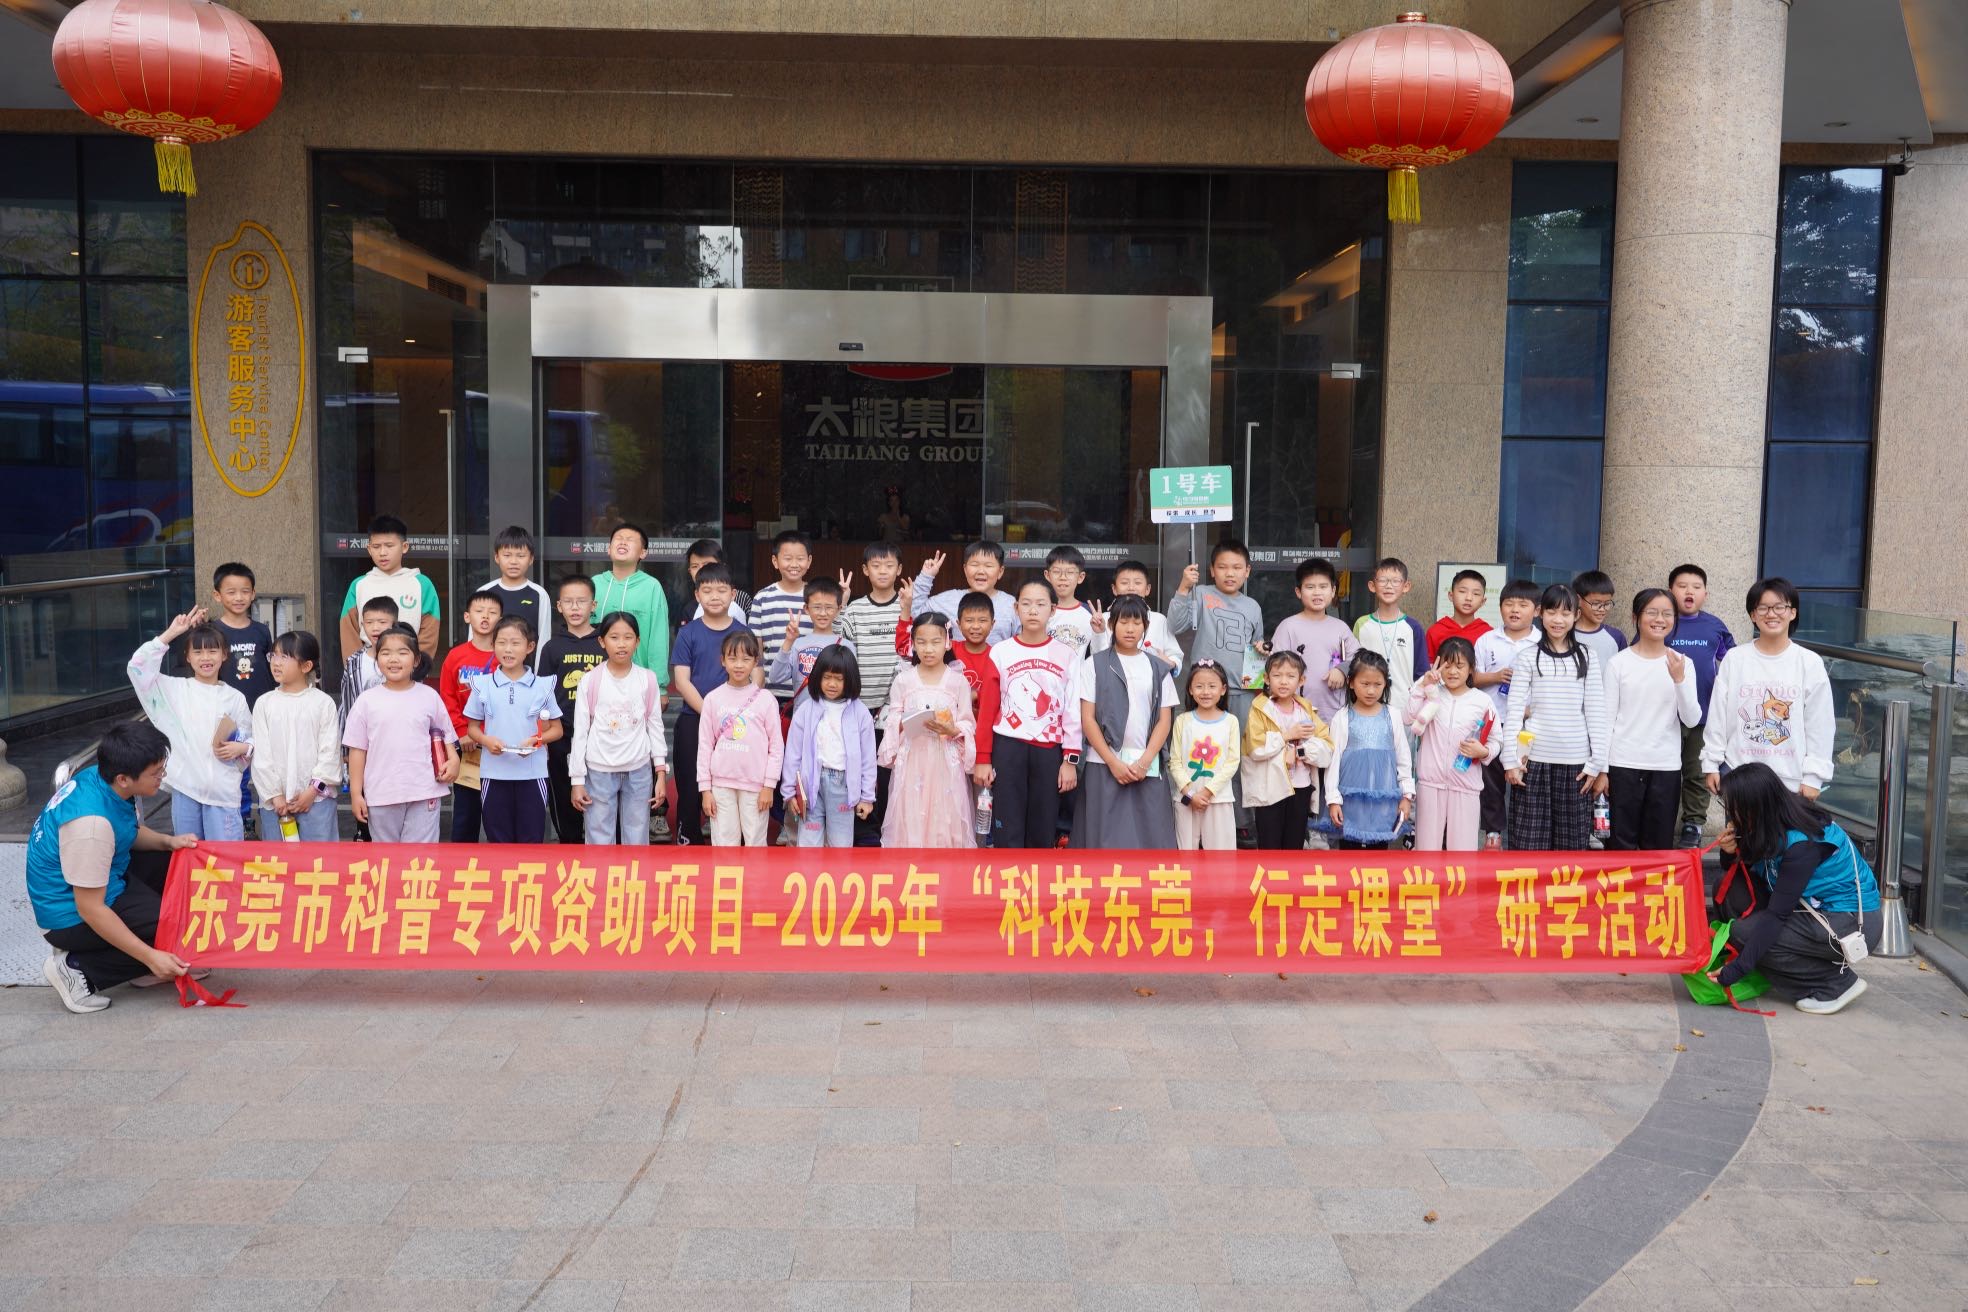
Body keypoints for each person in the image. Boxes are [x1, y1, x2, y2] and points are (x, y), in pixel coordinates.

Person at [29, 721, 200, 1014]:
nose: (162, 777)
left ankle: (141, 965)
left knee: (178, 867)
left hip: (105, 875)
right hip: (68, 915)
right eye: (156, 773)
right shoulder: (90, 826)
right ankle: (78, 970)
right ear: (124, 779)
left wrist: (169, 842)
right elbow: (90, 909)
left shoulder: (101, 779)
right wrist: (151, 956)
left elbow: (125, 831)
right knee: (181, 927)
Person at [1709, 763, 1880, 1014]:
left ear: (1753, 807)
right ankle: (1772, 962)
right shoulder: (1771, 818)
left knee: (1745, 934)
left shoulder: (1803, 845)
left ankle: (1835, 984)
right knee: (1727, 890)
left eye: (1733, 807)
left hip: (1848, 919)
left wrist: (1737, 969)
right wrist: (1729, 851)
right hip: (1807, 907)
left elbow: (1777, 915)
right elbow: (1739, 870)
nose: (1730, 814)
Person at [1702, 577, 1834, 800]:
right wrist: (1711, 763)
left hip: (1791, 780)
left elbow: (1820, 724)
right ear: (1753, 615)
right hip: (1739, 775)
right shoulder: (1735, 659)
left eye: (1779, 607)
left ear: (1793, 612)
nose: (1771, 614)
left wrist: (1814, 777)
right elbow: (1717, 715)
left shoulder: (1809, 662)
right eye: (1763, 608)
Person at [129, 607, 252, 841]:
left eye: (212, 651)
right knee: (188, 853)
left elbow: (250, 739)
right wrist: (172, 633)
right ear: (187, 656)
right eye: (198, 652)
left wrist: (242, 748)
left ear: (224, 654)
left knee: (223, 857)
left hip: (223, 793)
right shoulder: (174, 690)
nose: (206, 658)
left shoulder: (235, 698)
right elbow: (137, 668)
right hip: (185, 789)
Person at [1501, 584, 1609, 851]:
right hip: (1532, 763)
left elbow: (1596, 711)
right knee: (1528, 846)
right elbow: (1514, 710)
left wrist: (1597, 762)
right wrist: (1510, 760)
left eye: (1565, 613)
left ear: (1576, 615)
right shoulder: (1528, 657)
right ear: (1541, 613)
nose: (1558, 620)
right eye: (1551, 612)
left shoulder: (1587, 656)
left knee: (1570, 851)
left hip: (1576, 766)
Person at [1073, 595, 1179, 850]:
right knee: (1103, 838)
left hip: (1146, 765)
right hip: (1103, 763)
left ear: (1145, 626)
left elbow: (1164, 721)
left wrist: (1144, 761)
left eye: (1136, 622)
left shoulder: (1158, 668)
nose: (1130, 629)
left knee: (1150, 837)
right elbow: (1088, 719)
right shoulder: (1094, 665)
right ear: (1112, 625)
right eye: (1123, 622)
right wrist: (1113, 762)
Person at [1605, 589, 1703, 850]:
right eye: (1652, 612)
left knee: (1658, 846)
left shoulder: (1683, 663)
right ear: (1636, 617)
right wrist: (1602, 769)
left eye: (1667, 614)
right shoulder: (1618, 663)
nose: (1660, 619)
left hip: (1665, 765)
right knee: (1620, 844)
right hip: (1623, 763)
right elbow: (1606, 720)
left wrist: (1679, 680)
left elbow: (1691, 720)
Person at [345, 623, 460, 843]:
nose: (393, 659)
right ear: (377, 659)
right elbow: (357, 751)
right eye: (386, 653)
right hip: (381, 794)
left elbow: (446, 736)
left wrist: (454, 761)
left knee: (421, 858)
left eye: (402, 652)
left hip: (424, 791)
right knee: (386, 858)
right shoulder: (366, 701)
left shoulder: (429, 696)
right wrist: (356, 794)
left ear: (416, 660)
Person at [990, 578, 1082, 848]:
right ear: (1016, 608)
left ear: (1052, 610)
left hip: (1048, 750)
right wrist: (983, 758)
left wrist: (1070, 759)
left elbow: (1072, 710)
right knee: (1007, 825)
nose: (1033, 610)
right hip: (1008, 747)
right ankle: (1008, 875)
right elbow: (989, 708)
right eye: (1026, 604)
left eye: (1040, 604)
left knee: (1043, 826)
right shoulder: (1001, 652)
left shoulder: (1067, 655)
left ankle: (1039, 876)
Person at [568, 611, 668, 846]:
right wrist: (577, 780)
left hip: (638, 769)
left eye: (628, 637)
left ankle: (635, 873)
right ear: (602, 641)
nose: (621, 644)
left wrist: (661, 773)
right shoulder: (590, 680)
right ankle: (601, 872)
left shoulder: (647, 679)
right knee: (599, 837)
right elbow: (580, 732)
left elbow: (655, 726)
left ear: (637, 641)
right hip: (599, 770)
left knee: (637, 836)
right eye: (614, 637)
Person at [879, 614, 976, 849]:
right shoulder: (904, 680)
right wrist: (905, 722)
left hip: (945, 762)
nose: (928, 649)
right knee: (910, 815)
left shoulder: (957, 682)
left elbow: (967, 722)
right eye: (921, 642)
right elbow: (892, 718)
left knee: (945, 817)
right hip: (913, 760)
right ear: (913, 643)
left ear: (948, 643)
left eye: (935, 642)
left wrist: (952, 729)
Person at [463, 616, 564, 844]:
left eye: (515, 643)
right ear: (493, 645)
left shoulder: (542, 686)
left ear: (530, 646)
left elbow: (557, 730)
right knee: (498, 838)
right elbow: (472, 728)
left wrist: (537, 740)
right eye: (501, 642)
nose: (508, 649)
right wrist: (486, 741)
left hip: (533, 774)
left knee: (531, 838)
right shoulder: (482, 684)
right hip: (493, 773)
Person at [671, 563, 749, 845]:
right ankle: (688, 838)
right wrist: (712, 714)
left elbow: (755, 675)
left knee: (734, 784)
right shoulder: (688, 633)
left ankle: (734, 844)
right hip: (695, 717)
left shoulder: (743, 633)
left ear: (733, 594)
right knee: (691, 784)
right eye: (707, 590)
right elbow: (682, 681)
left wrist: (732, 715)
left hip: (737, 722)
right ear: (697, 595)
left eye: (721, 590)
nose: (715, 596)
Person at [1406, 637, 1500, 852]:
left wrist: (1483, 751)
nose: (1453, 672)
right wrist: (1423, 685)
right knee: (1426, 852)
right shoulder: (1431, 693)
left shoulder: (1482, 701)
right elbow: (1408, 716)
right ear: (1438, 665)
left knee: (1463, 853)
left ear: (1471, 669)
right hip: (1430, 784)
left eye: (1460, 666)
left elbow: (1496, 740)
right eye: (1447, 666)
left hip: (1465, 785)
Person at [250, 630, 342, 842]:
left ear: (306, 666)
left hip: (316, 801)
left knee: (319, 859)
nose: (276, 662)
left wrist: (312, 791)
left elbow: (329, 752)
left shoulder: (322, 703)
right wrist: (275, 795)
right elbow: (262, 755)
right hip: (276, 804)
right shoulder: (264, 703)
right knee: (278, 860)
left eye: (285, 656)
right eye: (273, 655)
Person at [1666, 563, 1735, 848]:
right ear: (1671, 590)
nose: (1689, 592)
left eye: (1696, 587)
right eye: (1682, 586)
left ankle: (1693, 825)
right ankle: (1662, 822)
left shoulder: (1714, 626)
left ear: (1705, 593)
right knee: (1666, 774)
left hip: (1704, 714)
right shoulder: (1662, 621)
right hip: (1665, 716)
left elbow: (1731, 663)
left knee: (1696, 773)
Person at [842, 541, 906, 844]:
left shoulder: (907, 607)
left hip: (894, 710)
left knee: (888, 771)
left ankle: (887, 830)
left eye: (889, 565)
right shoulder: (855, 610)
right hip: (860, 706)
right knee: (859, 767)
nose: (883, 571)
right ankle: (863, 830)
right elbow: (843, 651)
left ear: (899, 570)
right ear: (865, 570)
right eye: (876, 566)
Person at [784, 646, 878, 848]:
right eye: (827, 677)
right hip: (810, 785)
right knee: (808, 844)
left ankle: (838, 871)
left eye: (839, 679)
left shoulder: (860, 713)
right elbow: (793, 754)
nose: (832, 684)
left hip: (843, 786)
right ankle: (809, 871)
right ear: (817, 677)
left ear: (850, 679)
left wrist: (867, 797)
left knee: (840, 845)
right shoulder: (806, 710)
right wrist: (789, 792)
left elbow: (868, 759)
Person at [1241, 651, 1334, 852]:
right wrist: (1287, 735)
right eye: (1277, 675)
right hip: (1270, 788)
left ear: (1301, 680)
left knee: (1294, 844)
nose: (1283, 681)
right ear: (1266, 678)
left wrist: (1299, 752)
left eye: (1291, 676)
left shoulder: (1306, 709)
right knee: (1269, 845)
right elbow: (1255, 748)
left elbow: (1326, 748)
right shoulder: (1260, 709)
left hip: (1300, 787)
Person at [698, 629, 783, 847]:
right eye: (732, 658)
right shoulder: (713, 699)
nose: (738, 665)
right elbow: (705, 746)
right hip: (721, 784)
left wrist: (769, 786)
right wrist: (705, 789)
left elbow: (776, 747)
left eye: (745, 659)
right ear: (722, 660)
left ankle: (755, 875)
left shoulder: (766, 700)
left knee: (755, 843)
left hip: (756, 786)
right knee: (724, 844)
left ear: (756, 661)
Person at [1473, 578, 1539, 850]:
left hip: (1527, 723)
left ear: (1536, 610)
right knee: (1491, 780)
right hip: (1493, 721)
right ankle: (1493, 832)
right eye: (1509, 604)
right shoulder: (1487, 639)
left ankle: (1522, 836)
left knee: (1523, 776)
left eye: (1523, 605)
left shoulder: (1542, 641)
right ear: (1499, 607)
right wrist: (1496, 676)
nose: (1515, 610)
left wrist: (1531, 710)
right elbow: (1472, 678)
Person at [1323, 650, 1414, 849]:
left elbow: (1403, 759)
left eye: (1377, 684)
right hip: (1350, 804)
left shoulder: (1393, 715)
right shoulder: (1342, 717)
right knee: (1349, 852)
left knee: (1378, 854)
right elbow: (1333, 762)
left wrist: (1406, 796)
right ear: (1351, 682)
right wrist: (1333, 799)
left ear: (1385, 684)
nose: (1371, 691)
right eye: (1365, 684)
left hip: (1383, 803)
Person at [540, 574, 605, 844]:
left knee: (601, 799)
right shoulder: (552, 647)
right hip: (562, 735)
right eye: (568, 602)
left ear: (593, 605)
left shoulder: (605, 642)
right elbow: (543, 696)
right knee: (564, 797)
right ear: (559, 606)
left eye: (582, 601)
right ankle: (571, 848)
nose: (575, 607)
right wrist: (545, 734)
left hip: (602, 735)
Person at [440, 593, 503, 842]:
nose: (485, 617)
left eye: (492, 612)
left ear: (500, 618)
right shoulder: (456, 656)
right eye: (479, 611)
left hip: (498, 745)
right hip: (467, 747)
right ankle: (462, 863)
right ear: (467, 617)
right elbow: (447, 698)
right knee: (466, 815)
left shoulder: (506, 655)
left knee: (498, 814)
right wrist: (462, 731)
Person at [1171, 539, 1265, 703]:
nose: (1230, 573)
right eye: (1222, 567)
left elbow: (1257, 650)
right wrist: (1184, 587)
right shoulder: (1201, 594)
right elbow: (1175, 625)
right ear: (1212, 570)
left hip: (1241, 692)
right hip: (1205, 689)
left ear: (1247, 571)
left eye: (1237, 568)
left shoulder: (1253, 606)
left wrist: (1262, 649)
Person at [338, 513, 440, 661]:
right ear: (369, 549)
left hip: (409, 665)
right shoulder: (359, 585)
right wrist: (357, 667)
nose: (382, 552)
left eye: (389, 546)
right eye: (376, 546)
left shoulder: (422, 584)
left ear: (404, 547)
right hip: (367, 666)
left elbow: (429, 632)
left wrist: (418, 665)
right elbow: (349, 631)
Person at [1270, 557, 1357, 723]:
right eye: (1310, 587)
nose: (1317, 592)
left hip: (1334, 714)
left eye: (1323, 587)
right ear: (1298, 592)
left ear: (1333, 590)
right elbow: (1274, 666)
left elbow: (1358, 658)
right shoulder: (1288, 626)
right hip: (1294, 714)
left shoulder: (1341, 628)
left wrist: (1342, 669)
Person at [1169, 660, 1241, 851]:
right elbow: (1175, 761)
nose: (1206, 692)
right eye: (1199, 686)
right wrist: (1190, 794)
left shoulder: (1231, 722)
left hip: (1219, 798)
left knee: (1221, 856)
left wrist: (1207, 792)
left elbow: (1232, 762)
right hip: (1186, 800)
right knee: (1185, 854)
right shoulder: (1182, 720)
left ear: (1223, 689)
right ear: (1190, 690)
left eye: (1212, 686)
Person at [591, 521, 672, 685]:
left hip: (638, 682)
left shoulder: (651, 587)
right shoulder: (594, 584)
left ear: (643, 552)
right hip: (595, 678)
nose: (623, 542)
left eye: (630, 539)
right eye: (618, 538)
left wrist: (660, 685)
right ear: (608, 549)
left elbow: (658, 639)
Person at [1352, 558, 1429, 716]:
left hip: (1404, 707)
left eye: (1395, 581)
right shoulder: (1362, 624)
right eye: (1382, 580)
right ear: (1372, 586)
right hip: (1366, 706)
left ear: (1406, 586)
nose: (1388, 586)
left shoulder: (1413, 627)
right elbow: (1353, 666)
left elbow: (1421, 673)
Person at [751, 530, 815, 707]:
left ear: (809, 561)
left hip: (810, 692)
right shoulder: (762, 598)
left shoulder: (816, 598)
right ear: (775, 561)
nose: (794, 564)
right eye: (787, 558)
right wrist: (756, 690)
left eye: (800, 558)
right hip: (771, 692)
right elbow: (756, 649)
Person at [476, 525, 553, 668]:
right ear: (497, 557)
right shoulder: (484, 592)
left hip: (527, 673)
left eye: (520, 556)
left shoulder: (539, 594)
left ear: (531, 559)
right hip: (489, 673)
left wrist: (538, 675)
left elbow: (544, 640)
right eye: (507, 555)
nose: (513, 561)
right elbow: (475, 637)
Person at [911, 540, 1016, 642]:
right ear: (965, 569)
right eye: (974, 565)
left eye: (988, 566)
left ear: (1000, 571)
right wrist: (926, 577)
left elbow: (1021, 639)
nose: (981, 571)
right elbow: (916, 613)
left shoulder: (1010, 604)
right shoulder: (948, 600)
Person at [769, 577, 851, 701]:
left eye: (829, 607)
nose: (823, 613)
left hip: (835, 713)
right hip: (803, 713)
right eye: (817, 607)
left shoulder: (846, 646)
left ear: (839, 609)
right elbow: (775, 677)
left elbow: (850, 687)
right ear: (806, 608)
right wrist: (789, 641)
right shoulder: (798, 644)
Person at [1095, 559, 1177, 665]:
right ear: (1114, 588)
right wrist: (1099, 633)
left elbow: (1174, 654)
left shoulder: (1159, 620)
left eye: (1137, 583)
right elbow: (1097, 658)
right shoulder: (1103, 619)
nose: (1131, 588)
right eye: (1124, 583)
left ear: (1147, 589)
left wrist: (1171, 664)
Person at [1571, 569, 1629, 687]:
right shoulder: (1565, 634)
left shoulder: (1616, 637)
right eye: (1596, 604)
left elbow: (1624, 674)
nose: (1602, 609)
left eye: (1607, 604)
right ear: (1578, 600)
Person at [1044, 545, 1103, 658]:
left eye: (1070, 572)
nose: (1063, 577)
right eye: (1056, 571)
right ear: (1047, 575)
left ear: (1080, 577)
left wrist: (1099, 633)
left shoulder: (1089, 614)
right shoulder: (1040, 610)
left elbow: (1097, 655)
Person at [1426, 569, 1492, 661]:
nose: (1469, 598)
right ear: (1451, 596)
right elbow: (1428, 666)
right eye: (1462, 591)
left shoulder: (1488, 633)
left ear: (1482, 601)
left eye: (1476, 594)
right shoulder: (1435, 631)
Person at [685, 538, 752, 624]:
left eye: (708, 565)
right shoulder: (688, 609)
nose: (701, 570)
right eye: (695, 566)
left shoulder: (742, 599)